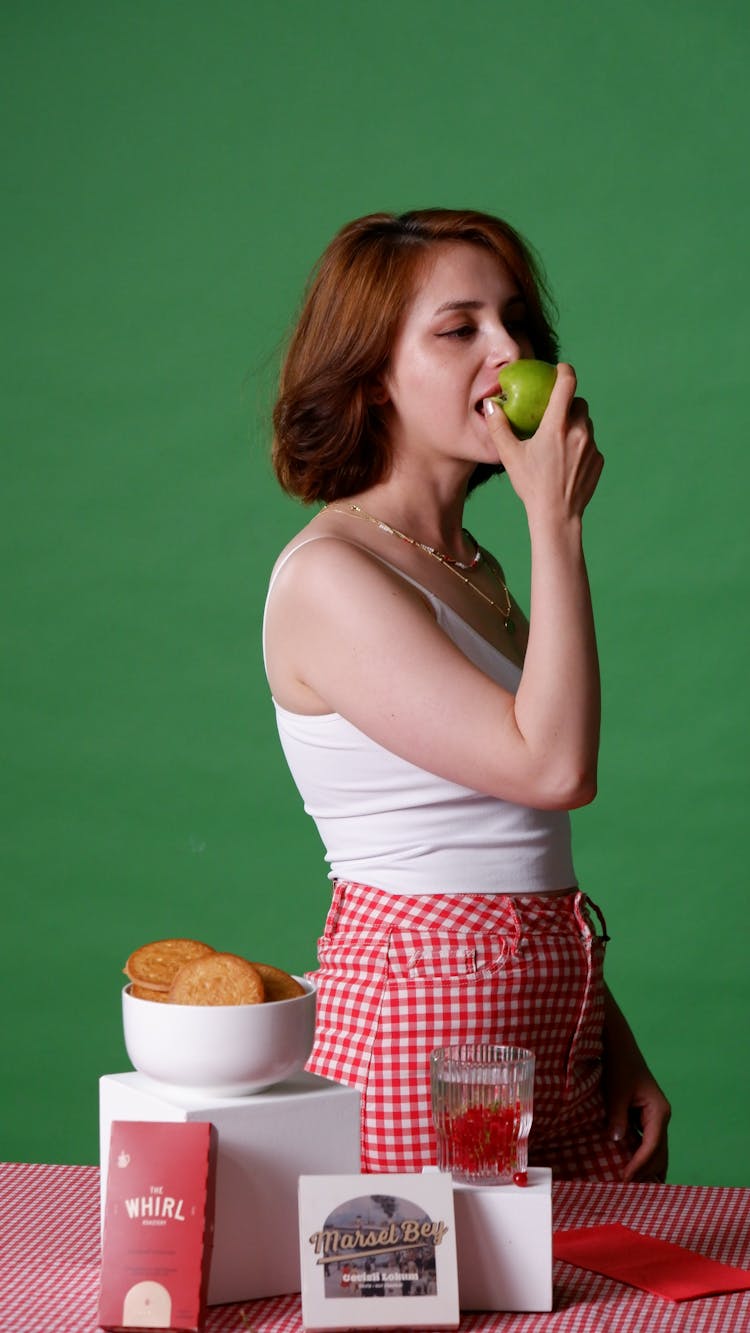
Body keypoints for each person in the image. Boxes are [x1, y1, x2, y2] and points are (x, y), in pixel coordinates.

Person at [263, 208, 670, 1182]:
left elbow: (506, 844)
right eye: (460, 329)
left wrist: (614, 1043)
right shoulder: (333, 575)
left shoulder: (474, 567)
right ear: (372, 375)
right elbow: (554, 767)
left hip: (548, 1022)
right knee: (447, 1309)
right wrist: (556, 522)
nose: (509, 351)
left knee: (577, 1299)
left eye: (517, 324)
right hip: (421, 1038)